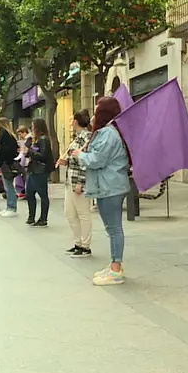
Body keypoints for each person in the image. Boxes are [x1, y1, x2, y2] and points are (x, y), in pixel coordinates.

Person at [77, 97, 132, 286]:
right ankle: (114, 265)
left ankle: (116, 269)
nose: (94, 113)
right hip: (107, 186)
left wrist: (80, 155)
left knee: (114, 228)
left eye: (97, 109)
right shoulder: (109, 131)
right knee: (112, 228)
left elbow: (97, 160)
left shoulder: (109, 133)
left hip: (110, 187)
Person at [57, 109, 94, 257]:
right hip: (70, 179)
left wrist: (81, 182)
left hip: (78, 180)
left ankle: (85, 245)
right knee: (69, 212)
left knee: (83, 213)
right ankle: (77, 242)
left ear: (76, 122)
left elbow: (85, 161)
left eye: (72, 120)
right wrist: (65, 161)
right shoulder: (77, 137)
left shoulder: (86, 138)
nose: (71, 122)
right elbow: (75, 158)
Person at [23, 118, 53, 227]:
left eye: (33, 126)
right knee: (29, 193)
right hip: (33, 169)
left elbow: (43, 155)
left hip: (40, 170)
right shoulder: (34, 139)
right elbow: (32, 152)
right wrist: (26, 151)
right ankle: (31, 216)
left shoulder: (43, 139)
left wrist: (30, 152)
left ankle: (43, 218)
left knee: (42, 194)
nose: (31, 128)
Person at [0, 118, 20, 217]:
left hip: (6, 163)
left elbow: (7, 149)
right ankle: (9, 207)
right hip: (7, 163)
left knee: (8, 186)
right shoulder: (9, 135)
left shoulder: (4, 134)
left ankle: (11, 207)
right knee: (7, 185)